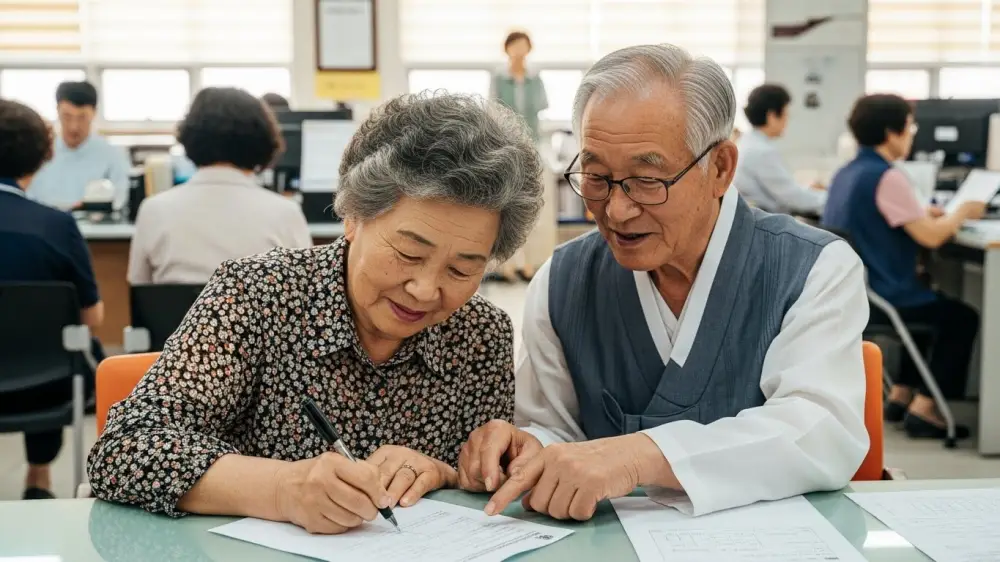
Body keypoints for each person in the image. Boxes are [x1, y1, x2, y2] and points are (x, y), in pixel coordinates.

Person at [88, 92, 544, 533]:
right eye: (407, 253)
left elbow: (483, 481)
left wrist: (444, 473)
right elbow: (124, 449)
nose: (425, 290)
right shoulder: (257, 295)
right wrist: (284, 489)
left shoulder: (481, 333)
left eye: (463, 269)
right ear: (352, 216)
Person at [458, 44, 870, 520]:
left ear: (719, 168)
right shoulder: (563, 281)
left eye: (647, 180)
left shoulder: (813, 268)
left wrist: (639, 456)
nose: (616, 210)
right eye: (595, 177)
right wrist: (527, 448)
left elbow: (821, 431)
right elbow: (554, 429)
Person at [823, 94, 984, 440]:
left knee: (931, 301)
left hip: (858, 293)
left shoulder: (847, 173)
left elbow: (892, 218)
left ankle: (900, 396)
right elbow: (931, 238)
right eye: (909, 127)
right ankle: (925, 408)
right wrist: (962, 212)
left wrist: (926, 214)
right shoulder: (886, 176)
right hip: (886, 297)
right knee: (959, 318)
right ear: (891, 133)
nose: (912, 135)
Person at [0, 99, 107, 500]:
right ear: (40, 158)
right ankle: (39, 476)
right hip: (43, 384)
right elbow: (92, 316)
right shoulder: (56, 226)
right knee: (59, 346)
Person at [127, 87, 312, 285]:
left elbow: (140, 291)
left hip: (177, 317)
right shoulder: (285, 213)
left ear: (190, 139)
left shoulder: (154, 210)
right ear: (263, 142)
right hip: (258, 316)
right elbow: (305, 292)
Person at [489, 31, 550, 282]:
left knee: (531, 208)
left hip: (533, 148)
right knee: (506, 207)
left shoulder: (535, 78)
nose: (519, 50)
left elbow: (540, 111)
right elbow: (495, 110)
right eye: (514, 45)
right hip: (506, 147)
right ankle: (508, 265)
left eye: (523, 45)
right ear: (507, 48)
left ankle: (527, 264)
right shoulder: (499, 77)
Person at [27, 81, 131, 211]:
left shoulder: (113, 155)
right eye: (67, 116)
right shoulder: (39, 152)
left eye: (82, 117)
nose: (74, 127)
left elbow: (122, 198)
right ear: (57, 110)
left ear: (94, 113)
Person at [733, 84, 827, 216]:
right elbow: (794, 198)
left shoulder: (748, 143)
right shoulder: (761, 152)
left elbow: (784, 191)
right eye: (785, 114)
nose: (787, 120)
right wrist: (833, 198)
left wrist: (809, 190)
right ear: (772, 116)